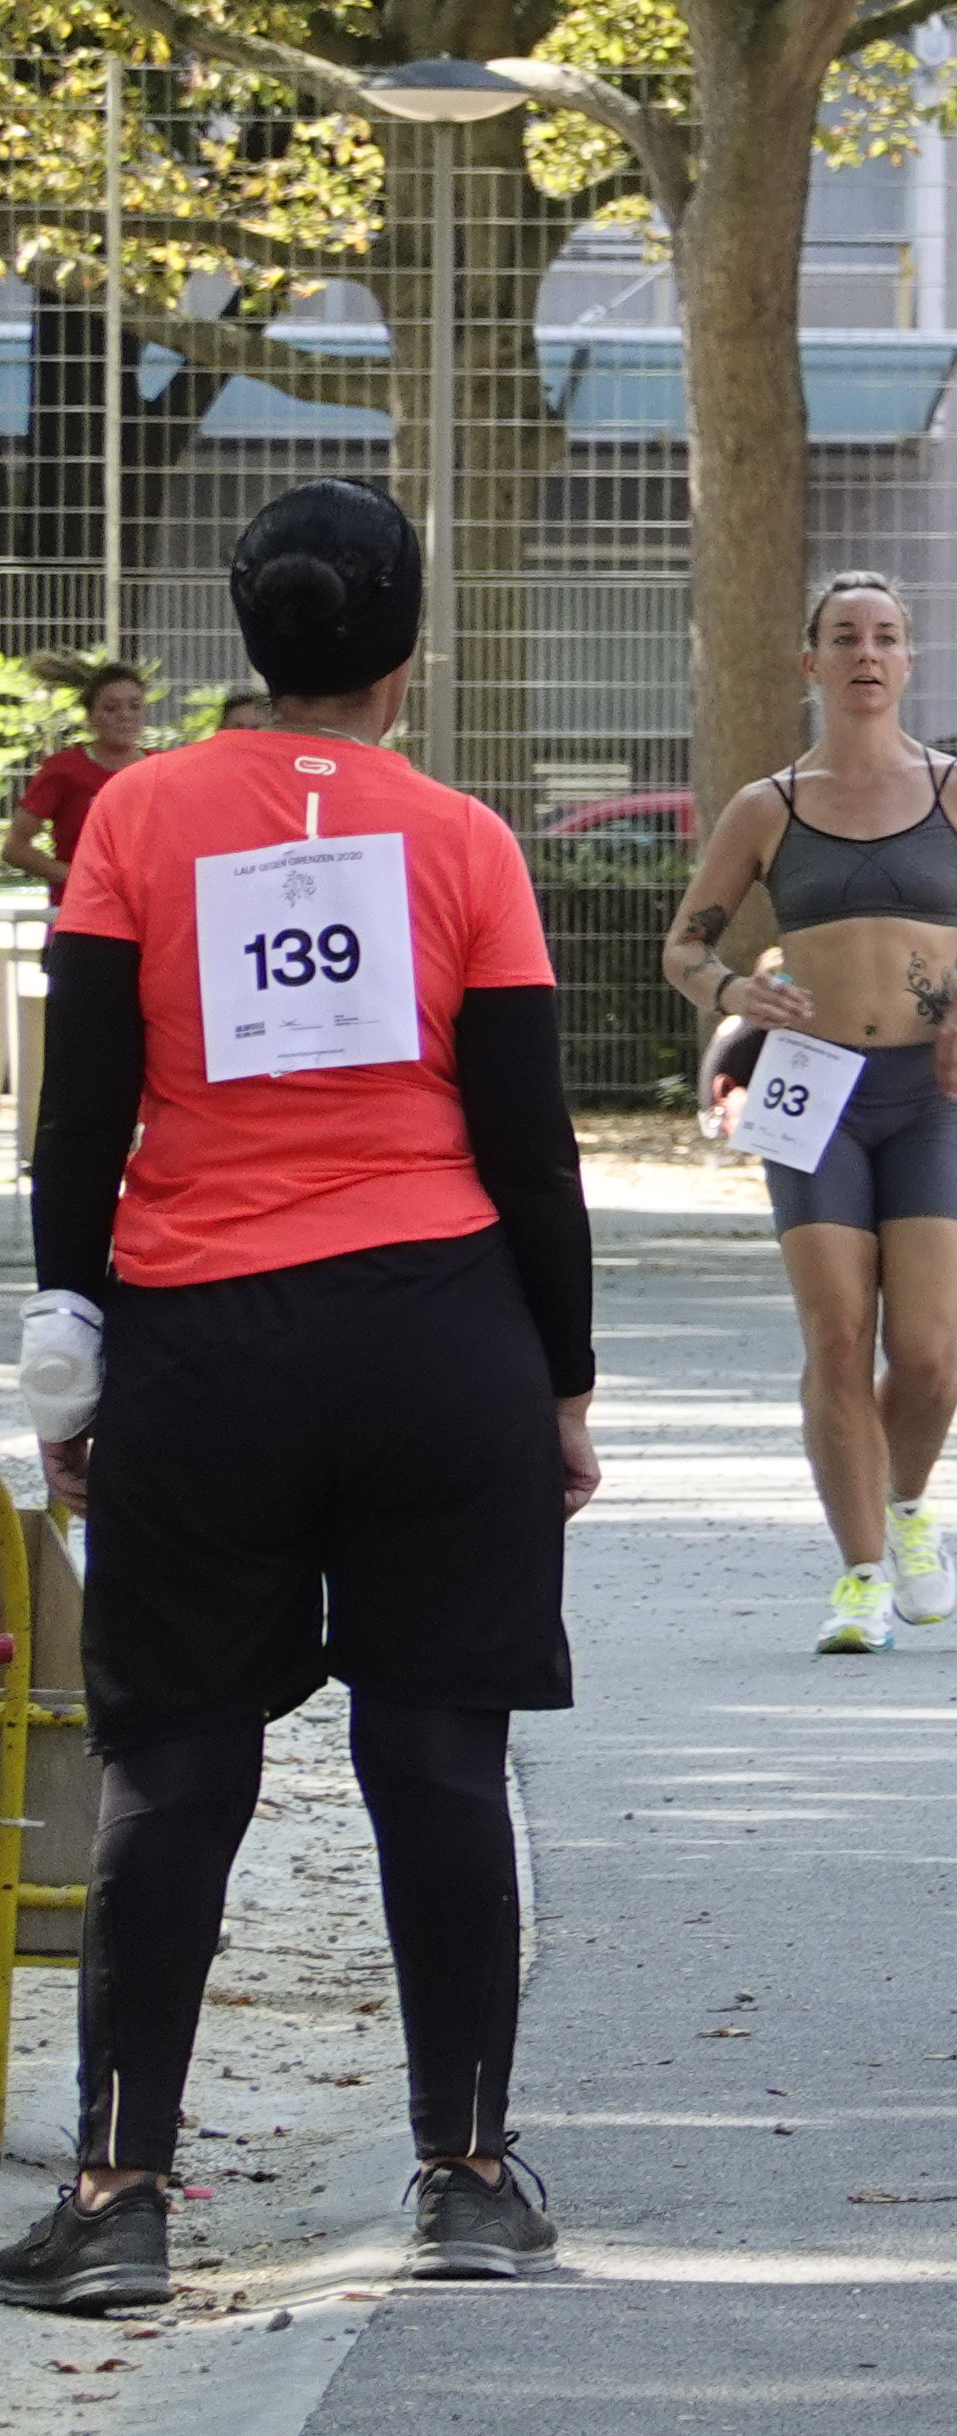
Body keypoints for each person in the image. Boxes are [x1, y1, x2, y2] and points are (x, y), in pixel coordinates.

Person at [3, 482, 595, 2313]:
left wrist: (72, 1357)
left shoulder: (136, 819)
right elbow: (528, 1136)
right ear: (407, 654)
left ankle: (118, 2190)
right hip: (438, 1331)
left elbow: (81, 1120)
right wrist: (560, 1380)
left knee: (174, 1767)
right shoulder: (463, 838)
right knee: (437, 1751)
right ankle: (470, 2168)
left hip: (207, 1335)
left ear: (245, 636)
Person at [664, 571, 957, 1655]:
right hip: (811, 1089)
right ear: (813, 664)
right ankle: (860, 1573)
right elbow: (686, 946)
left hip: (928, 1090)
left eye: (886, 636)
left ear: (909, 660)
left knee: (928, 1353)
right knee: (837, 1335)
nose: (867, 654)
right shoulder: (769, 805)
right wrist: (738, 993)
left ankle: (908, 1504)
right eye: (846, 637)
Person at [7, 659, 155, 883]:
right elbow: (14, 849)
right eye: (111, 708)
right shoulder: (64, 769)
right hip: (82, 908)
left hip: (145, 908)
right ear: (90, 717)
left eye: (134, 706)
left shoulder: (161, 768)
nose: (125, 716)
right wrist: (81, 879)